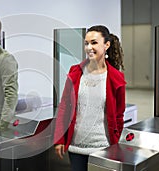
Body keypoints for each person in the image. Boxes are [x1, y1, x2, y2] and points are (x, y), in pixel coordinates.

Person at [53, 25, 126, 171]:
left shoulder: (116, 78)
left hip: (103, 147)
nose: (89, 47)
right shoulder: (75, 72)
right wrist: (59, 139)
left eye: (94, 43)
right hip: (76, 148)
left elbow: (119, 115)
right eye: (86, 43)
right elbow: (64, 107)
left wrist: (115, 142)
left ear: (106, 45)